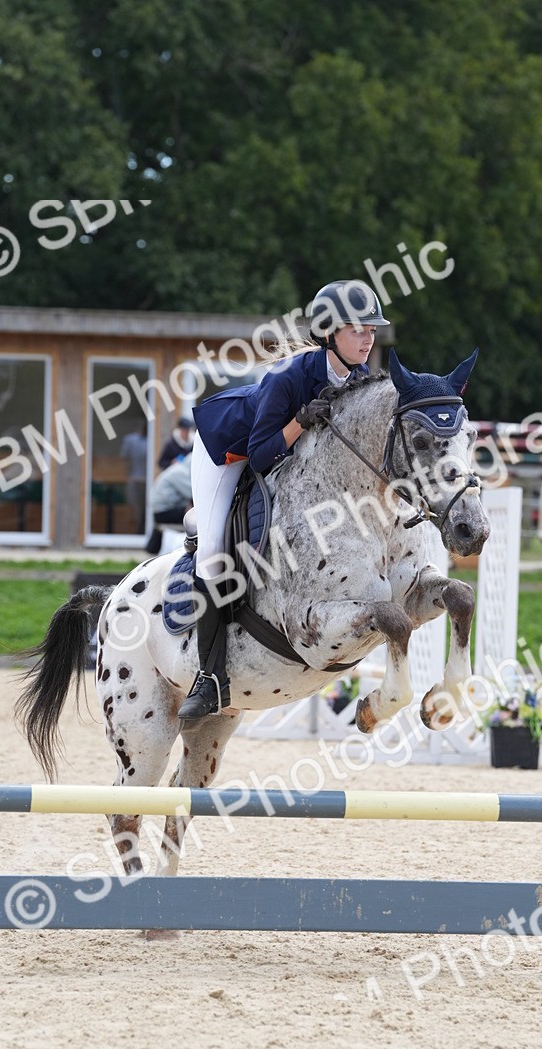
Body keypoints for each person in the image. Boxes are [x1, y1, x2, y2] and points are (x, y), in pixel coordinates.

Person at [177, 279, 390, 725]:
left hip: (288, 463)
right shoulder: (288, 377)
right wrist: (299, 420)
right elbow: (259, 455)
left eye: (372, 329)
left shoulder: (363, 379)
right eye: (358, 329)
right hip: (227, 451)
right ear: (329, 332)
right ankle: (209, 678)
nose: (369, 337)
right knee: (213, 555)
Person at [144, 452, 193, 555]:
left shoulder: (178, 469)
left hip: (161, 511)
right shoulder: (181, 472)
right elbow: (193, 493)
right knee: (193, 515)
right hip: (163, 513)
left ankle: (152, 548)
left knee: (190, 510)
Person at [120, 428, 149, 533]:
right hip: (135, 478)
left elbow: (124, 456)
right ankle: (135, 532)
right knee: (135, 508)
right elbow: (124, 457)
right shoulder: (131, 440)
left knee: (141, 509)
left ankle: (139, 531)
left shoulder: (148, 441)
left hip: (143, 479)